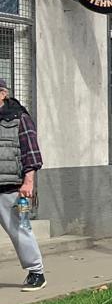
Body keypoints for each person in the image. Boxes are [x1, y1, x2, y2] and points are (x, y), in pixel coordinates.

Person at [0, 78, 45, 290]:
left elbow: (32, 152)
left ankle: (37, 272)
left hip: (14, 188)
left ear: (2, 94)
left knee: (21, 229)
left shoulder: (19, 118)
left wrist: (29, 182)